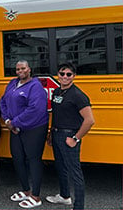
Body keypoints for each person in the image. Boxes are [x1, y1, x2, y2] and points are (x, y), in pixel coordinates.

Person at [46, 63, 95, 210]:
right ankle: (64, 196)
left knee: (75, 173)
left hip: (69, 136)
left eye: (68, 74)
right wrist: (50, 132)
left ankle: (78, 206)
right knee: (61, 167)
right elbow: (56, 114)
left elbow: (90, 120)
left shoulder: (78, 95)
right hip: (56, 133)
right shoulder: (56, 92)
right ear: (58, 75)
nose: (65, 77)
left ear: (74, 76)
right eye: (62, 74)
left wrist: (75, 138)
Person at [0, 60, 48, 208]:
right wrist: (8, 120)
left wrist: (15, 123)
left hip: (34, 128)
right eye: (17, 69)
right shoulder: (12, 83)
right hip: (14, 127)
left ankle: (36, 196)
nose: (20, 71)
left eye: (23, 68)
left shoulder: (35, 86)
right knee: (18, 159)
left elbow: (35, 109)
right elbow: (3, 102)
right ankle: (26, 190)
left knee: (33, 160)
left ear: (29, 69)